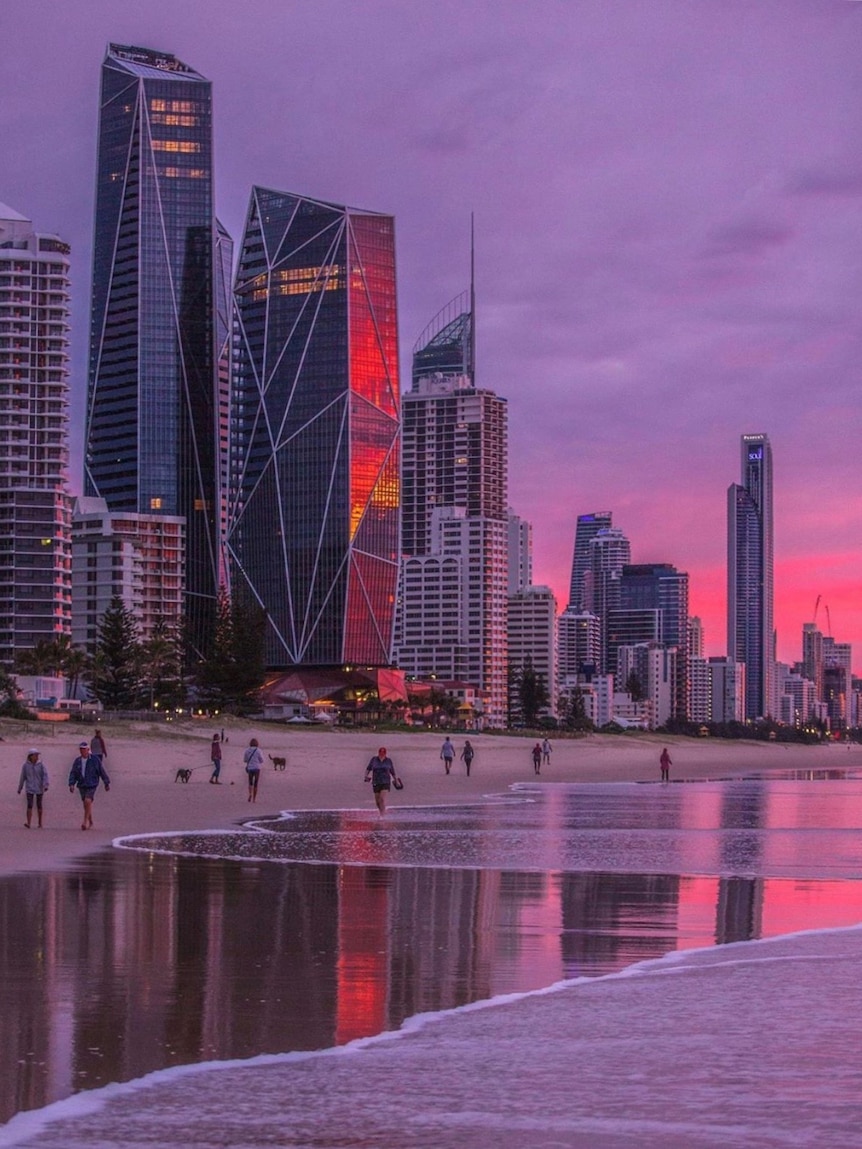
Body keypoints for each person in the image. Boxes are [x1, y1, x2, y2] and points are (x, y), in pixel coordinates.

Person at [68, 741, 110, 831]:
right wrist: (71, 784)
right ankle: (90, 821)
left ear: (88, 750)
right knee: (86, 804)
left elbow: (101, 771)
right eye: (81, 749)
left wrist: (106, 782)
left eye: (84, 749)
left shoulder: (94, 760)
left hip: (92, 784)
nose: (82, 751)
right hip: (82, 784)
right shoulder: (77, 761)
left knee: (88, 801)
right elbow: (73, 773)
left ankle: (84, 822)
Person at [18, 749, 49, 829]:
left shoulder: (41, 765)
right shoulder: (25, 766)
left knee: (39, 805)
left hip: (39, 787)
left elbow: (45, 775)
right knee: (29, 805)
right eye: (35, 755)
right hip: (29, 788)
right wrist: (20, 787)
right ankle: (28, 823)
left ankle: (40, 823)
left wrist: (45, 785)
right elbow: (23, 777)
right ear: (30, 756)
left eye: (37, 755)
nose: (36, 757)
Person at [365, 746, 398, 815]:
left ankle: (382, 816)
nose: (382, 753)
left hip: (385, 782)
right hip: (376, 781)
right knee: (377, 801)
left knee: (382, 799)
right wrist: (366, 776)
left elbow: (392, 771)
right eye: (381, 752)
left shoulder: (388, 761)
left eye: (384, 752)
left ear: (386, 753)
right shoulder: (374, 760)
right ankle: (382, 812)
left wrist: (396, 780)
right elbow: (368, 768)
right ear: (378, 752)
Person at [243, 737, 264, 802]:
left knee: (250, 782)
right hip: (257, 768)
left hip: (250, 768)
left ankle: (250, 794)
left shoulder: (247, 750)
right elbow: (262, 760)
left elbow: (245, 760)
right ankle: (254, 799)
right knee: (256, 783)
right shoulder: (259, 750)